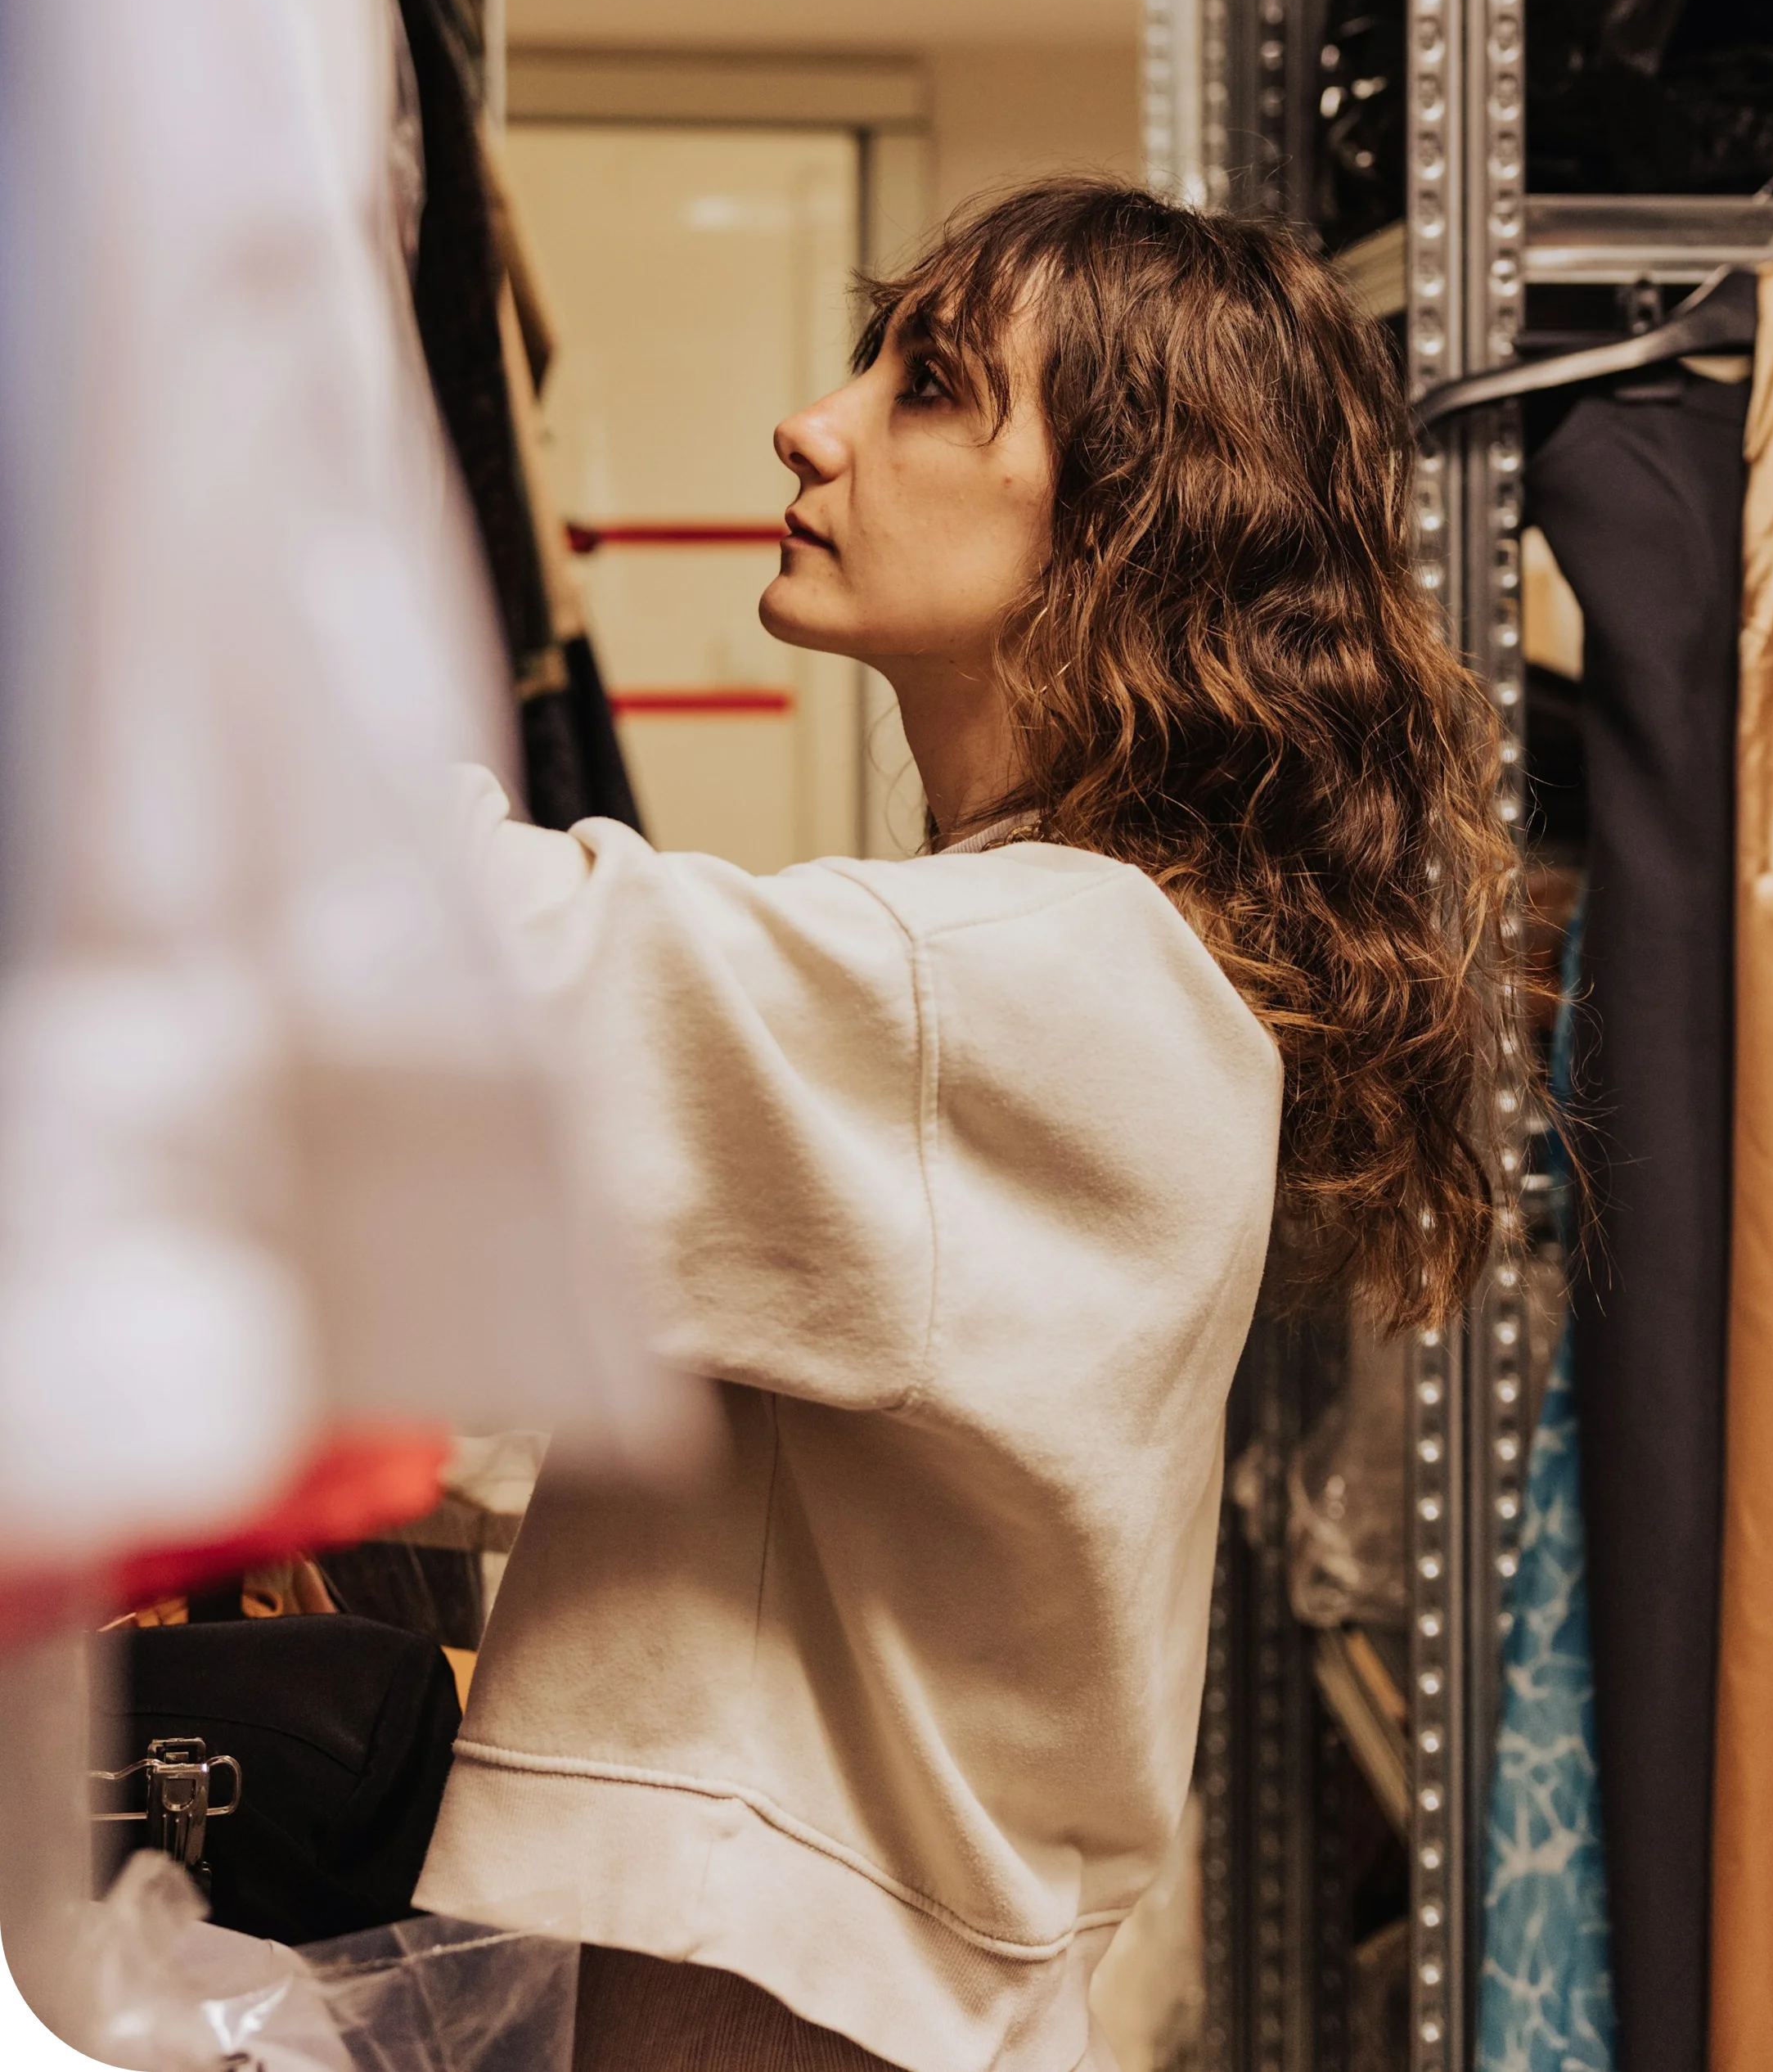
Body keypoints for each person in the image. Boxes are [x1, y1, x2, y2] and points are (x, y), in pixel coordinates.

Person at [416, 180, 1516, 2071]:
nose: (813, 424)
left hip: (806, 2025)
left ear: (1127, 520)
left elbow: (513, 969)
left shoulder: (1056, 975)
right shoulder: (1075, 950)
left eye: (927, 386)